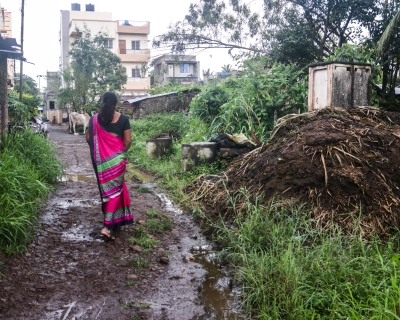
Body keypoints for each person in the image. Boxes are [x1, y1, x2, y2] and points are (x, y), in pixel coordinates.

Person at [86, 91, 133, 240]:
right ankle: (107, 226)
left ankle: (113, 222)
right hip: (117, 160)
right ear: (116, 104)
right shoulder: (124, 119)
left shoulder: (93, 120)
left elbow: (88, 138)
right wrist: (118, 155)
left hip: (99, 161)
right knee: (114, 191)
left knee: (106, 190)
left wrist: (100, 150)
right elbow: (128, 141)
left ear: (103, 102)